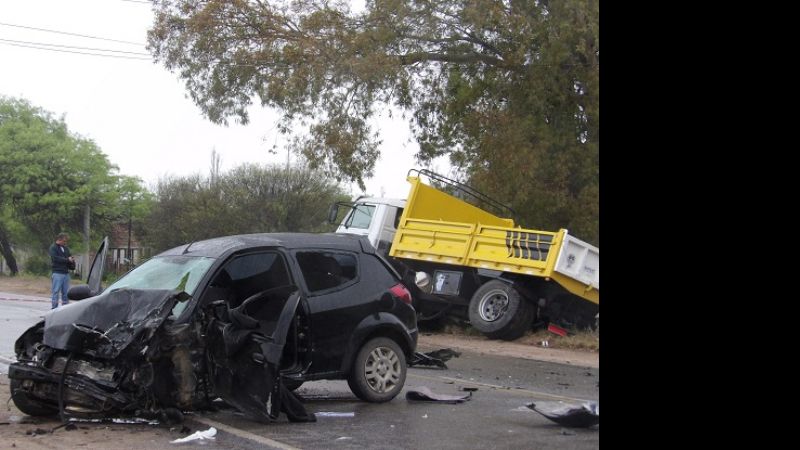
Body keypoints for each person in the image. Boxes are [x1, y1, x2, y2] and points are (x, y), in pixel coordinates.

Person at [49, 233, 74, 309]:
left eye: (66, 241)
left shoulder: (65, 248)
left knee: (66, 293)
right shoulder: (53, 248)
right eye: (64, 241)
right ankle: (54, 308)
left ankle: (65, 309)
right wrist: (67, 260)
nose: (65, 243)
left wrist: (72, 260)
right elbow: (55, 258)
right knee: (56, 291)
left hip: (66, 273)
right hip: (57, 273)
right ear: (59, 239)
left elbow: (69, 257)